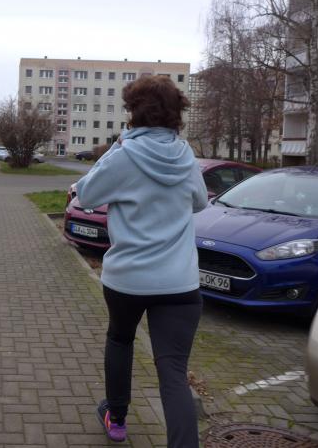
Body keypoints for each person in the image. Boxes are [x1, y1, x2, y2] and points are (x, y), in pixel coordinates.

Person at [74, 75, 208, 447]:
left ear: (133, 111)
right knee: (173, 373)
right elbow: (200, 202)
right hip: (180, 283)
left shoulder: (124, 155)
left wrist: (116, 148)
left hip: (128, 280)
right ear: (176, 113)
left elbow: (85, 194)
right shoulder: (185, 156)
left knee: (121, 340)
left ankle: (117, 420)